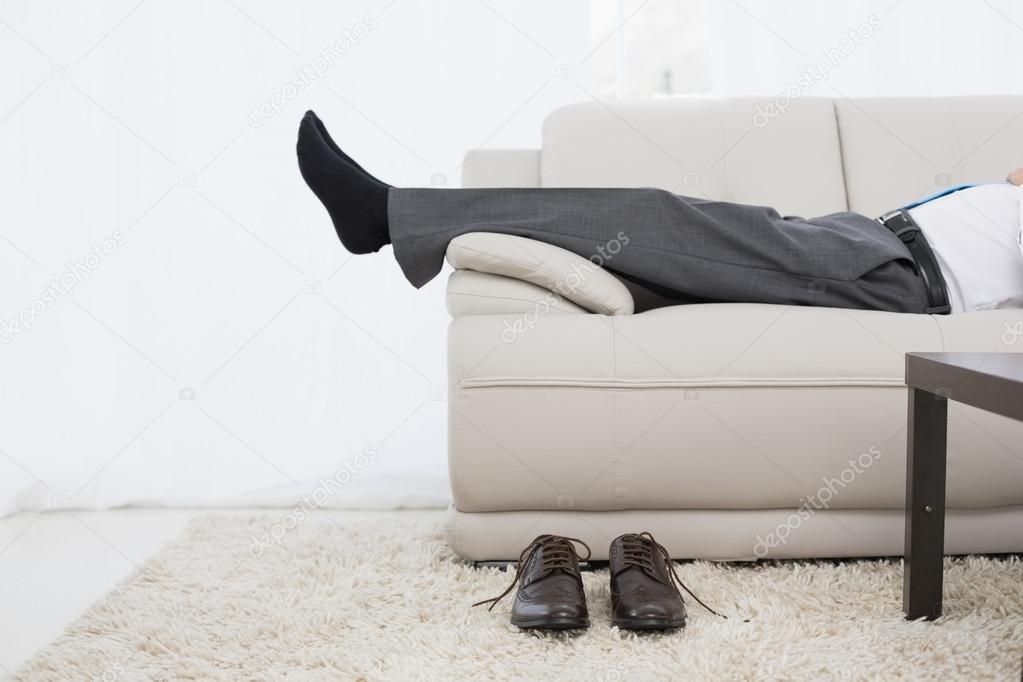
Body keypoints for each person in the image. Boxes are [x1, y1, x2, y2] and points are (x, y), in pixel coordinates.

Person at [296, 110, 1023, 315]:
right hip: (866, 239)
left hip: (892, 274)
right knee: (659, 235)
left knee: (653, 214)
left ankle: (384, 215)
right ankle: (392, 215)